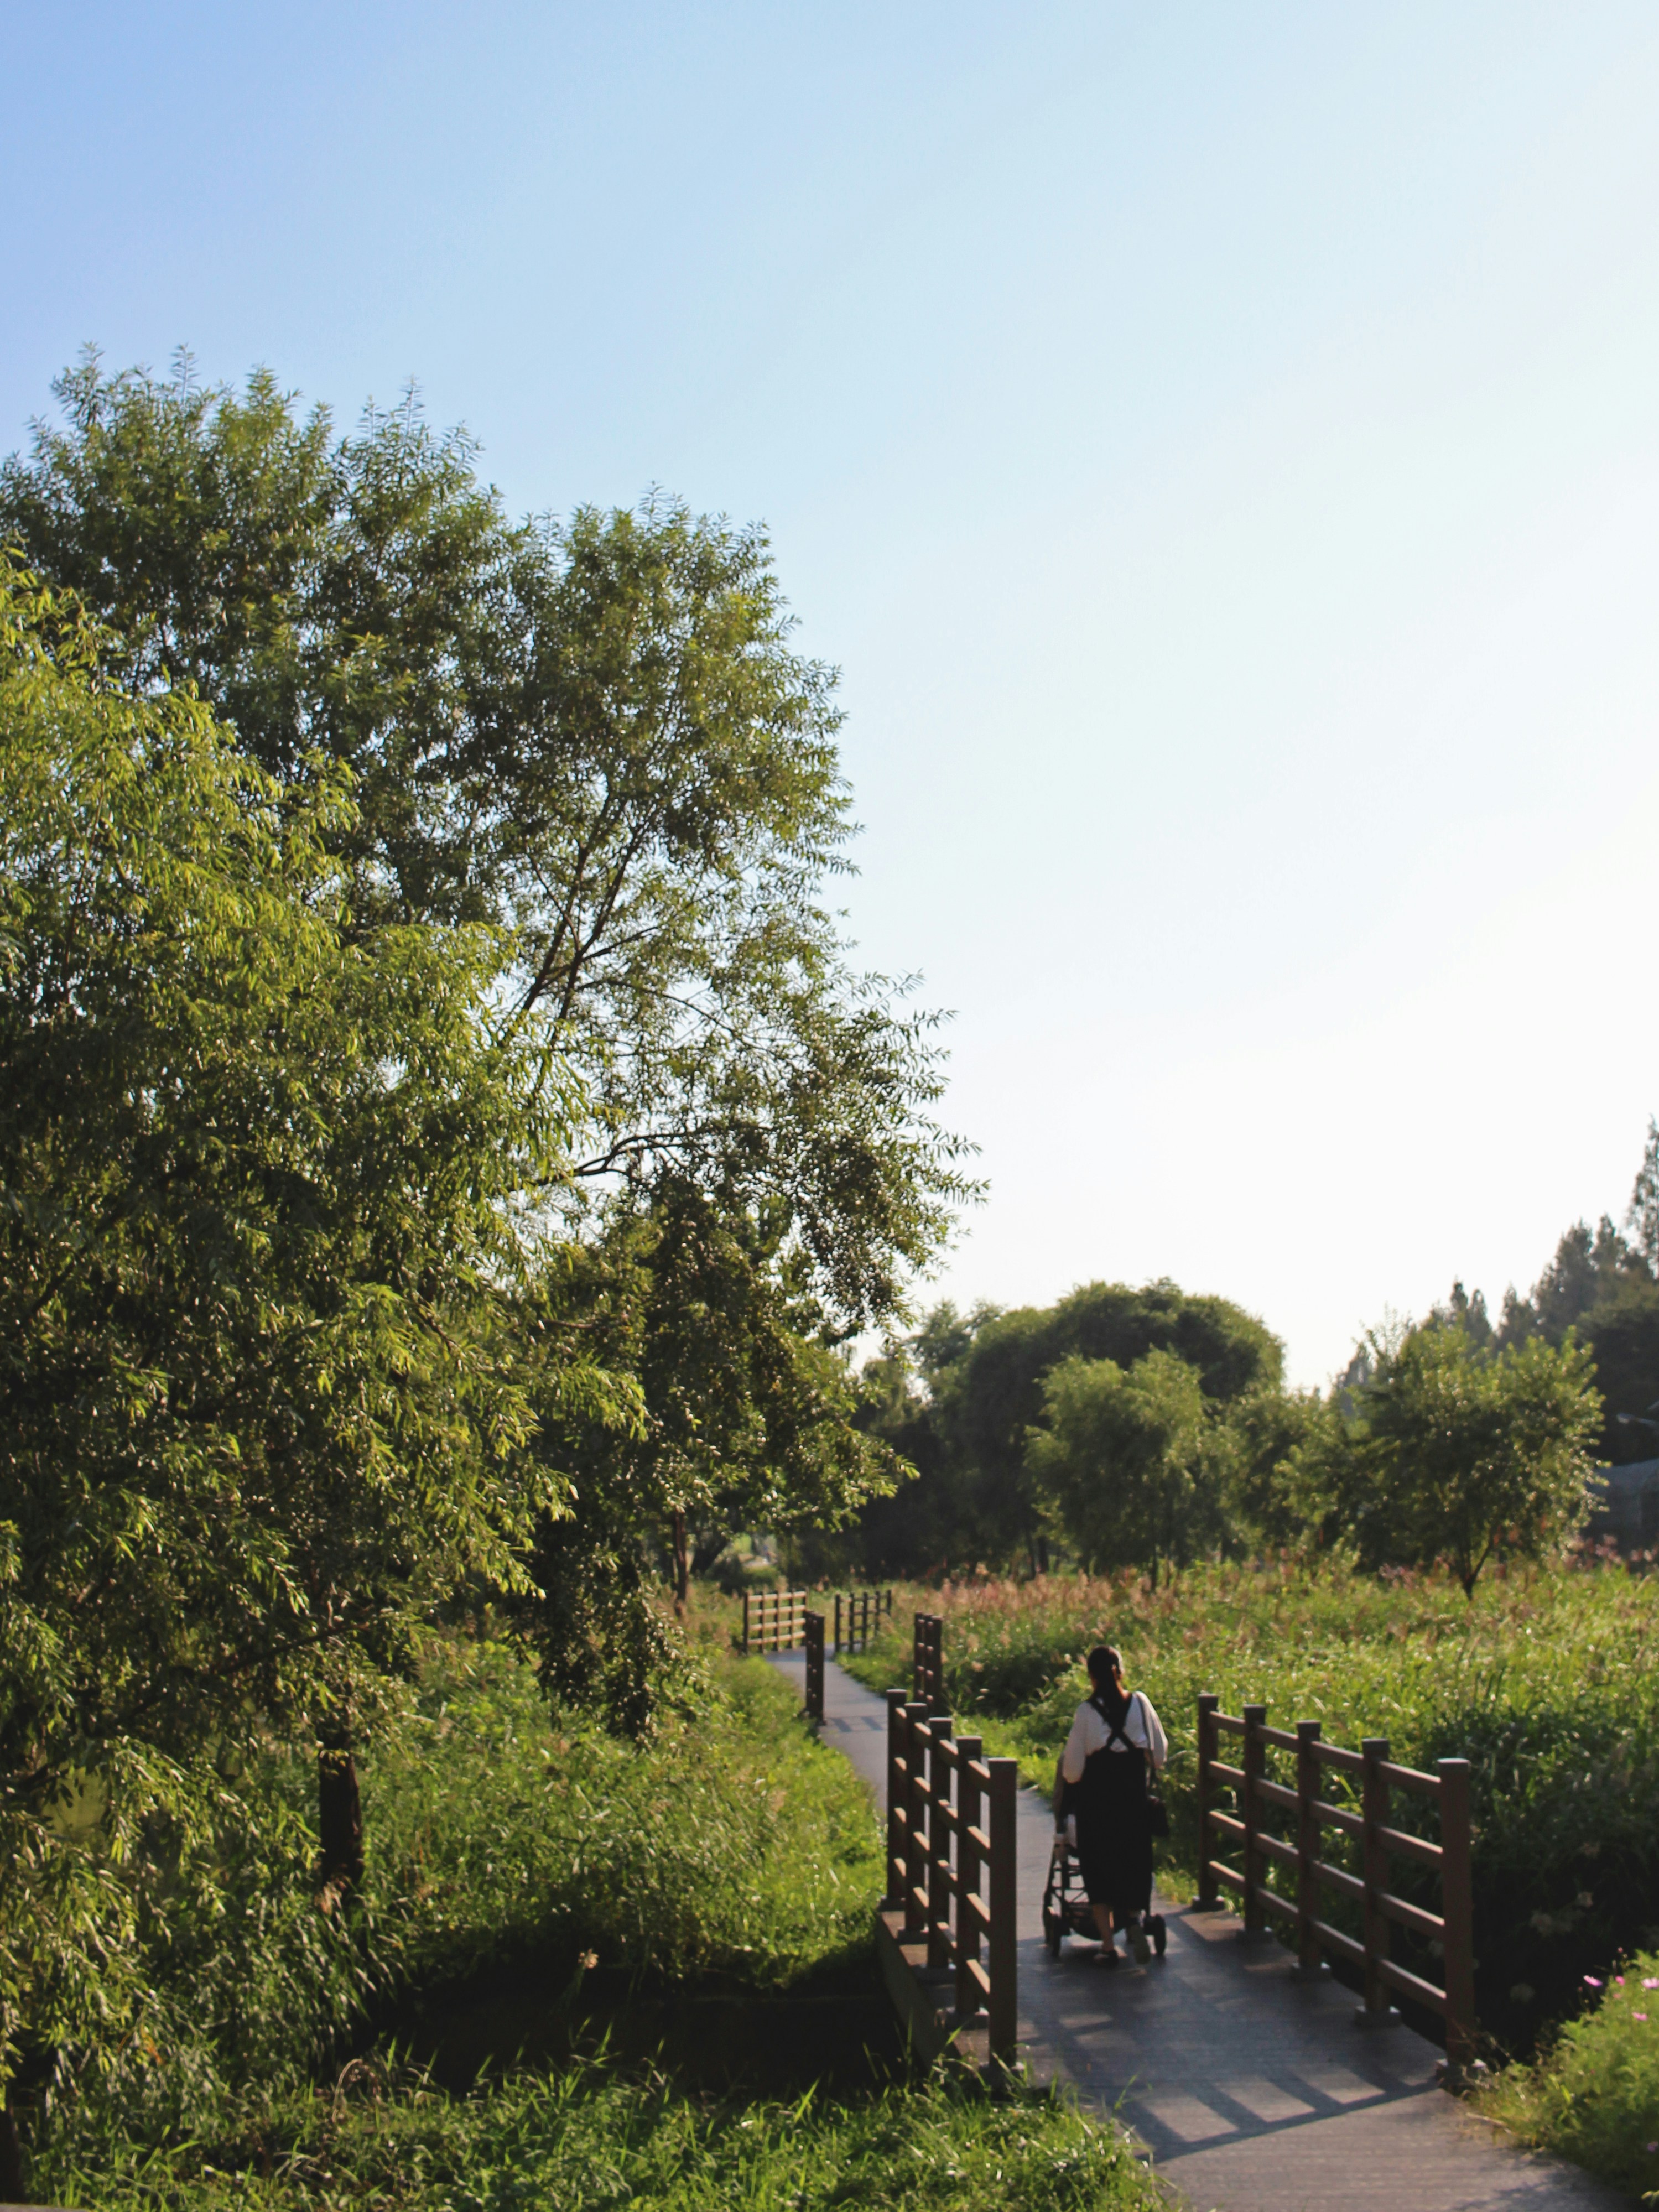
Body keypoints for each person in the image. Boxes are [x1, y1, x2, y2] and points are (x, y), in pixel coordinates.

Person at [1057, 1643, 1168, 1965]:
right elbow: (1158, 1756)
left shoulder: (1086, 1713)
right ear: (1120, 1671)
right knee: (1134, 1864)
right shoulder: (1141, 1704)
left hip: (1098, 1811)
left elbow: (1073, 1772)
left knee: (1099, 1872)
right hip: (1134, 1807)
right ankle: (1133, 1920)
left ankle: (1108, 1946)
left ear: (1091, 1676)